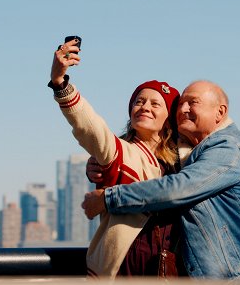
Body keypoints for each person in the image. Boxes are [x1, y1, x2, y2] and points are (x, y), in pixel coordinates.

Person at [82, 80, 240, 283]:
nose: (183, 109)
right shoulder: (193, 153)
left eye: (192, 103)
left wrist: (108, 198)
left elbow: (178, 189)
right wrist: (101, 163)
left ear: (220, 112)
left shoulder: (229, 147)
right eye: (180, 104)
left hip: (236, 278)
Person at [48, 38, 182, 278]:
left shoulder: (184, 163)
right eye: (139, 101)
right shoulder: (119, 152)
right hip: (124, 268)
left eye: (155, 104)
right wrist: (60, 82)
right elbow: (89, 126)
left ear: (168, 119)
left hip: (170, 269)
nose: (144, 107)